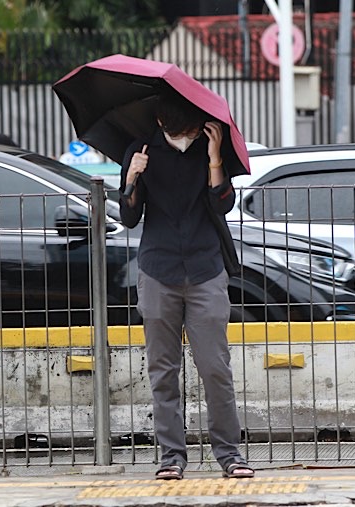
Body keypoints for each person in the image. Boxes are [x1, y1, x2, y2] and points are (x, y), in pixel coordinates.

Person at [118, 91, 254, 481]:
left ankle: (229, 454)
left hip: (205, 269)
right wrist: (132, 177)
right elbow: (128, 217)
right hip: (158, 269)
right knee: (163, 370)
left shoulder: (211, 148)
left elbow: (222, 205)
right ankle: (171, 457)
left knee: (215, 367)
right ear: (162, 124)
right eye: (183, 132)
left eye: (194, 130)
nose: (189, 137)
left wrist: (213, 160)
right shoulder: (140, 151)